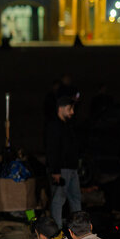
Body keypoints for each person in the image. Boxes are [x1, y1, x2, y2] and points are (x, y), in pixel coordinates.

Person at [45, 96, 80, 228]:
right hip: (61, 169)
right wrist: (55, 171)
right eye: (70, 108)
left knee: (75, 199)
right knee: (58, 200)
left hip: (71, 169)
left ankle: (79, 230)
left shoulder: (68, 125)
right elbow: (52, 149)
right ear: (60, 108)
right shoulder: (53, 126)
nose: (72, 112)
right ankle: (57, 232)